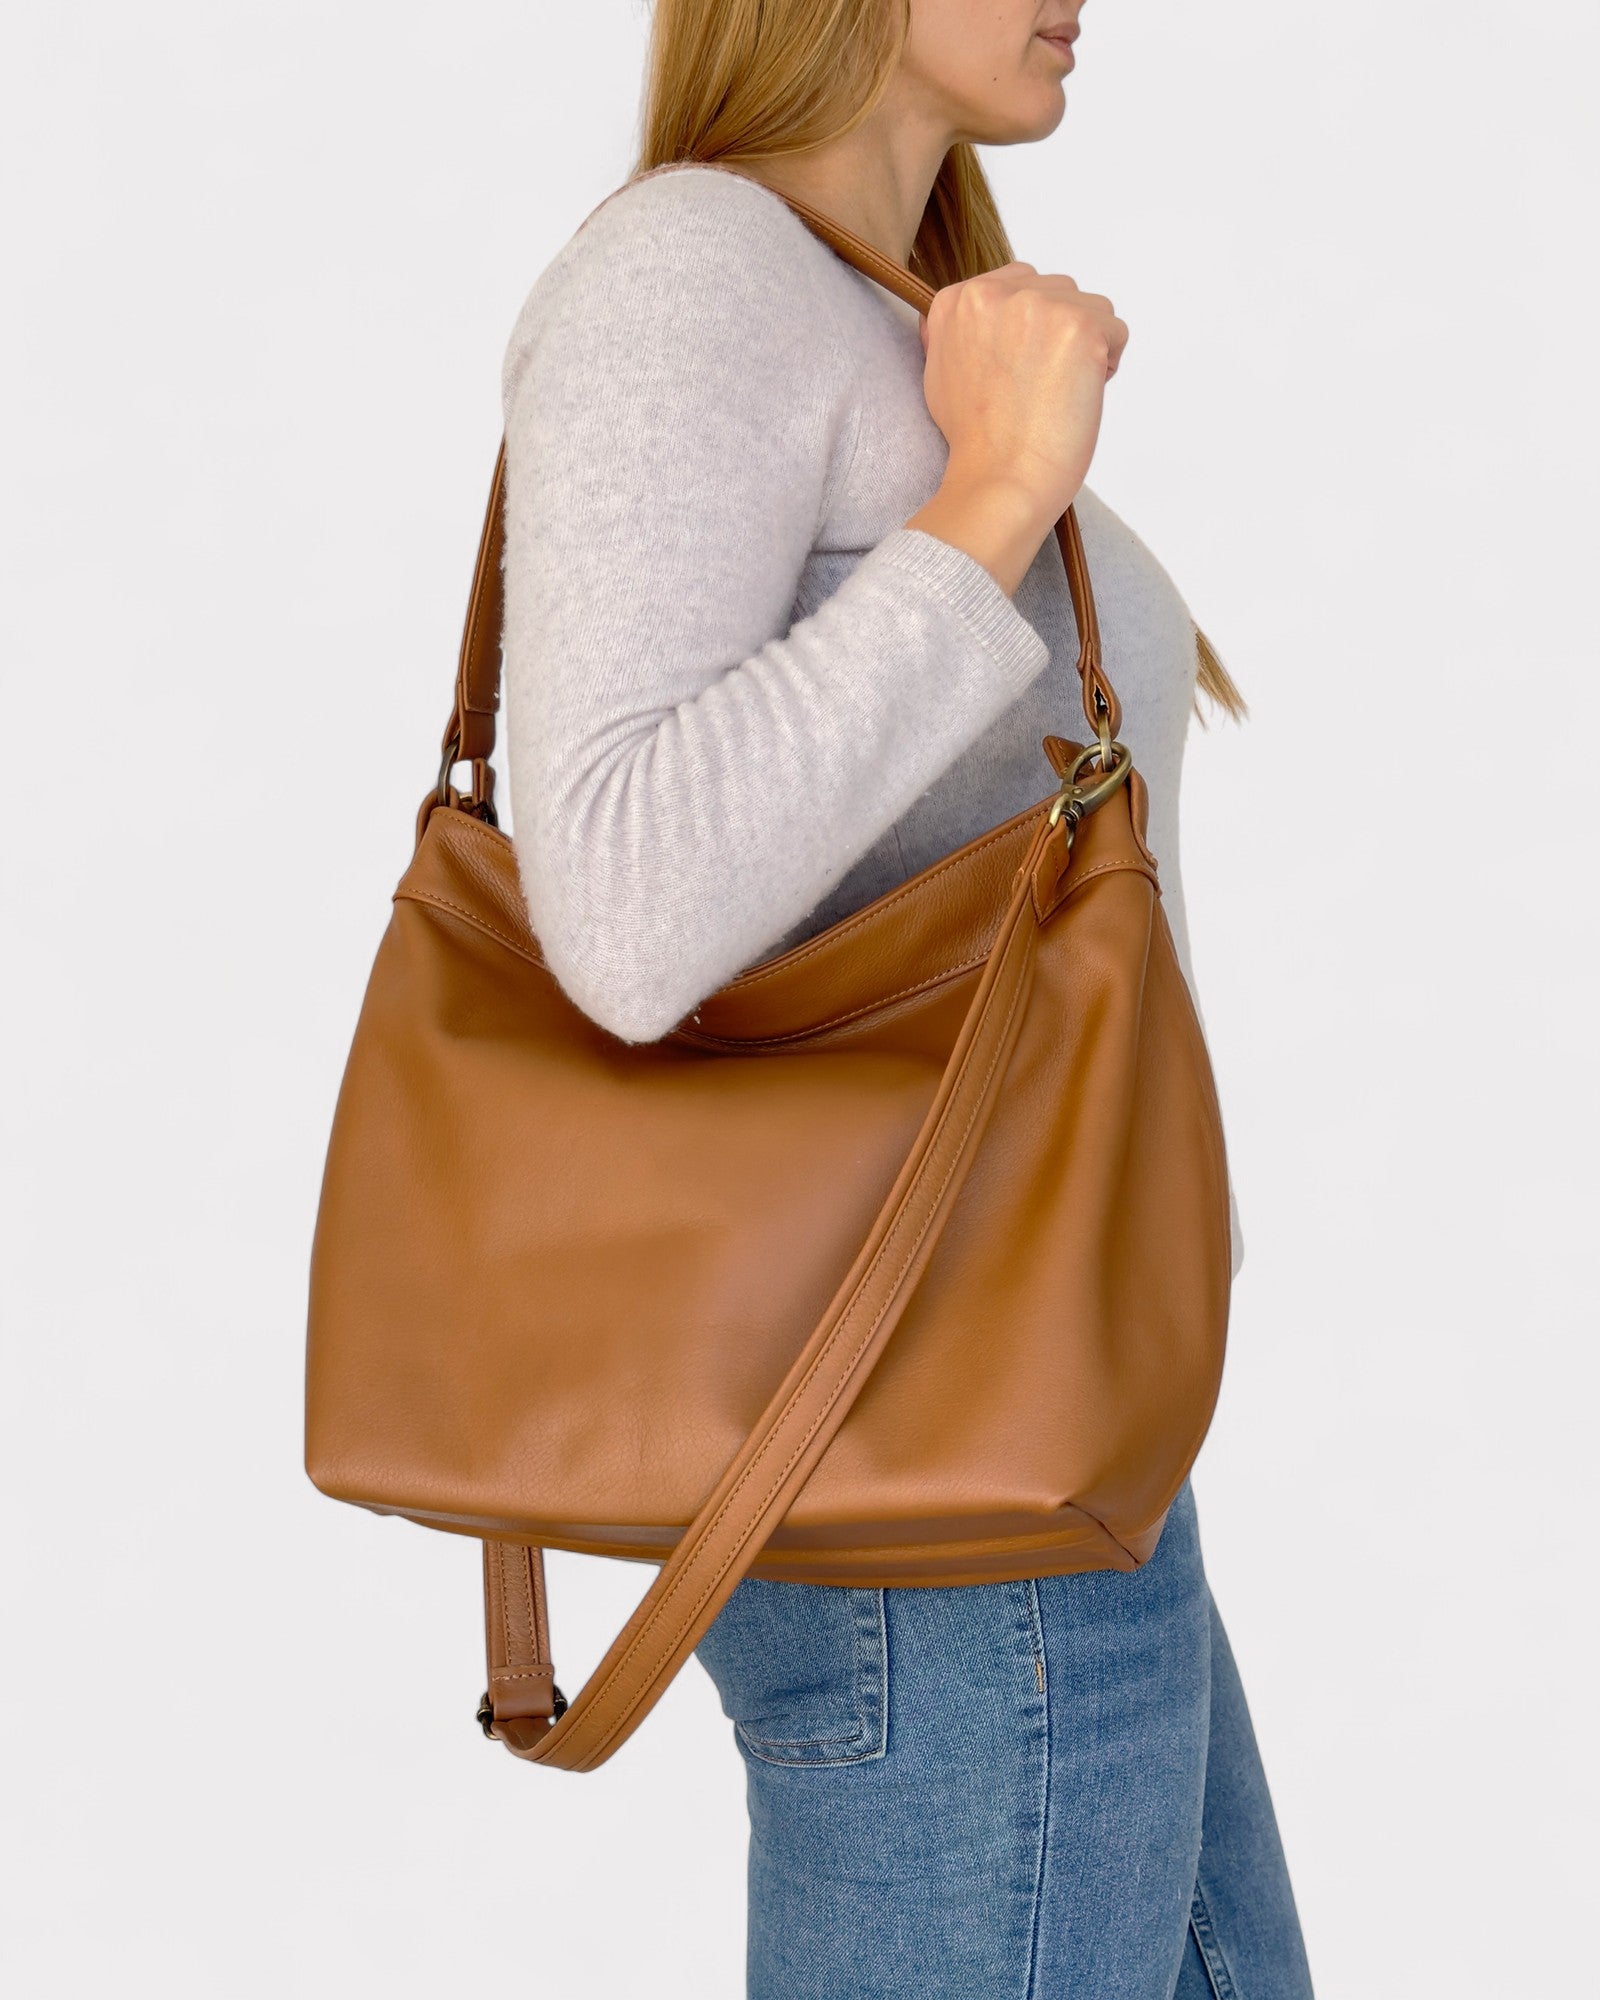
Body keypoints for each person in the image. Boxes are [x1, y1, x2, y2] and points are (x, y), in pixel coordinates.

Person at [497, 2, 1313, 1994]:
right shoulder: (688, 278)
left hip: (1043, 1435)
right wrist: (996, 495)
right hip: (912, 1461)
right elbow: (616, 902)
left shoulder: (885, 307)